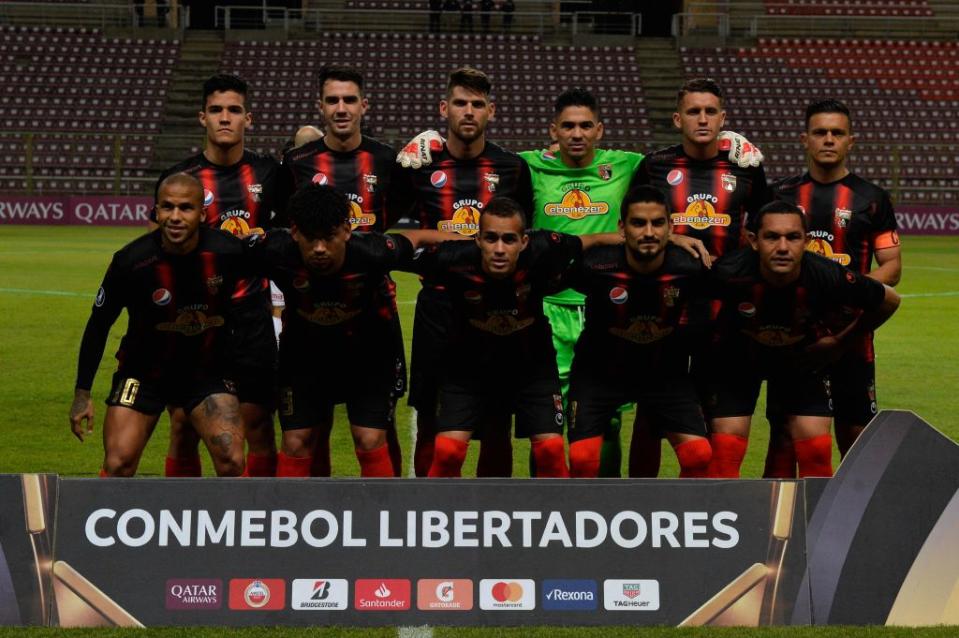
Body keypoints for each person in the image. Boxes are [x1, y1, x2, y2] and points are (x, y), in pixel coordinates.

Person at [406, 197, 618, 478]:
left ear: (524, 241)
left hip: (532, 367)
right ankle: (436, 518)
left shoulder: (546, 247)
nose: (499, 249)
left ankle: (558, 518)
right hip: (467, 369)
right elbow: (394, 249)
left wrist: (670, 241)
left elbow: (589, 240)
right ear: (478, 239)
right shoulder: (451, 257)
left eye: (509, 240)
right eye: (491, 239)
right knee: (447, 452)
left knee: (551, 451)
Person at [255, 184, 456, 477]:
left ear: (347, 231)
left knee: (370, 438)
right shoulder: (275, 249)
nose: (320, 248)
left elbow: (416, 237)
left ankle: (381, 518)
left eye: (329, 238)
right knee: (296, 442)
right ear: (295, 233)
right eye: (311, 239)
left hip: (368, 358)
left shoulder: (373, 252)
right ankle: (292, 517)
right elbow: (224, 247)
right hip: (303, 357)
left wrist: (476, 241)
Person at [630, 77, 772, 477]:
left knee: (720, 415)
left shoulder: (745, 167)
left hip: (725, 312)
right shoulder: (655, 166)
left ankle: (710, 505)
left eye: (711, 111)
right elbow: (632, 225)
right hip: (664, 311)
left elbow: (766, 225)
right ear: (678, 118)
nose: (703, 118)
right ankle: (644, 501)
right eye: (694, 111)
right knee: (651, 415)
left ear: (723, 119)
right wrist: (672, 236)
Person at [399, 67, 534, 477]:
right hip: (438, 310)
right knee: (431, 424)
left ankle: (494, 520)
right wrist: (437, 238)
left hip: (496, 312)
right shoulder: (417, 166)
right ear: (444, 108)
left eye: (478, 104)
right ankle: (428, 515)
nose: (469, 111)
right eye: (460, 103)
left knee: (497, 425)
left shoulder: (511, 168)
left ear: (491, 111)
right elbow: (391, 236)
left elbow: (525, 235)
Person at [69, 174, 250, 477]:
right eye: (167, 207)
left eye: (185, 208)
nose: (175, 217)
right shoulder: (130, 261)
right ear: (155, 211)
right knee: (117, 463)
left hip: (206, 373)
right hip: (143, 373)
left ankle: (222, 522)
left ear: (202, 214)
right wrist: (81, 394)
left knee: (231, 459)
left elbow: (251, 315)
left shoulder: (229, 253)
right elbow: (98, 325)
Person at [704, 201, 901, 478]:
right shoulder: (726, 273)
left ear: (806, 241)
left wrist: (839, 343)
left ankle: (814, 520)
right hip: (738, 358)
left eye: (793, 237)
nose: (783, 247)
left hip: (801, 360)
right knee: (726, 447)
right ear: (753, 240)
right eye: (772, 237)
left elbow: (889, 300)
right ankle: (726, 519)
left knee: (816, 447)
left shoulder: (827, 274)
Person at [280, 65, 410, 477]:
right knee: (306, 430)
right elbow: (284, 227)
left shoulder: (388, 161)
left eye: (349, 100)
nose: (341, 108)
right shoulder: (296, 163)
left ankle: (387, 518)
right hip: (309, 310)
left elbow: (407, 212)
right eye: (332, 100)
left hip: (371, 313)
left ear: (364, 105)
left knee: (375, 429)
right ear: (320, 106)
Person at [761, 99, 902, 476]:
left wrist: (848, 293)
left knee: (856, 437)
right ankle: (777, 531)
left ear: (850, 141)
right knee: (786, 434)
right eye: (820, 132)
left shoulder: (871, 199)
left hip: (853, 336)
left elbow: (892, 267)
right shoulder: (781, 195)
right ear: (804, 139)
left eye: (837, 133)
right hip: (795, 338)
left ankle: (850, 528)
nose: (828, 140)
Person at [156, 73, 283, 478]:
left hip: (252, 320)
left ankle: (257, 522)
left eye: (233, 110)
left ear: (249, 118)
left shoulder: (272, 174)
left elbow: (294, 232)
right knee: (182, 427)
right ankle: (185, 522)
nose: (224, 118)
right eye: (216, 110)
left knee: (259, 426)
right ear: (202, 118)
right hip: (196, 324)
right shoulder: (181, 179)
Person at [566, 185, 712, 478]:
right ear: (622, 227)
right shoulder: (594, 266)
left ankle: (670, 519)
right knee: (582, 458)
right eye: (638, 223)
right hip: (599, 373)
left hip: (664, 373)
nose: (648, 232)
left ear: (671, 227)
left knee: (699, 456)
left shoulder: (690, 268)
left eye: (657, 223)